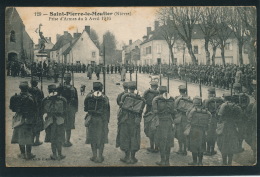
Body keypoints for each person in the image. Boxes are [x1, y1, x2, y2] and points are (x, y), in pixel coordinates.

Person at [116, 81, 145, 164]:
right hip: (135, 120)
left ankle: (126, 157)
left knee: (125, 137)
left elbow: (120, 104)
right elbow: (142, 108)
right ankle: (133, 157)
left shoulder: (124, 95)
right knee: (134, 137)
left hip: (125, 119)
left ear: (128, 88)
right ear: (135, 88)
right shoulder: (140, 98)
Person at [84, 82, 110, 163]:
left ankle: (94, 155)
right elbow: (107, 110)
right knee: (101, 138)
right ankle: (100, 156)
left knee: (92, 137)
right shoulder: (105, 97)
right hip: (102, 120)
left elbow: (85, 109)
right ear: (101, 88)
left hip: (92, 119)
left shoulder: (88, 96)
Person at [10, 81, 36, 160]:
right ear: (27, 88)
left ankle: (22, 153)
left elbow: (12, 108)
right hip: (29, 119)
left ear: (20, 88)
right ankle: (28, 154)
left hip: (18, 118)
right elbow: (35, 109)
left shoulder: (15, 97)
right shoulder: (31, 98)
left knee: (20, 136)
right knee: (29, 136)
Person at [42, 84, 67, 160]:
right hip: (60, 121)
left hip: (50, 122)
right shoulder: (62, 99)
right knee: (59, 138)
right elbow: (65, 111)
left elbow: (42, 110)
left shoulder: (45, 100)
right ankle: (60, 154)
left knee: (53, 139)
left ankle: (54, 155)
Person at [152, 86, 176, 166]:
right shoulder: (172, 99)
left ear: (159, 92)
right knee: (168, 141)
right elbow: (174, 111)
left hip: (161, 122)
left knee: (162, 142)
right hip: (169, 121)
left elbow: (155, 111)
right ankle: (167, 161)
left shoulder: (156, 99)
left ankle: (162, 161)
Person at [217, 93, 242, 165]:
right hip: (233, 127)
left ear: (225, 99)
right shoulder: (237, 107)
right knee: (231, 145)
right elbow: (240, 118)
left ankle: (224, 162)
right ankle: (229, 162)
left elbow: (219, 116)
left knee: (223, 144)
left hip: (224, 127)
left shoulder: (224, 105)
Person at [186, 96, 211, 166]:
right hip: (203, 130)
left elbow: (188, 118)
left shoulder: (193, 110)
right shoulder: (206, 111)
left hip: (194, 130)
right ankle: (200, 162)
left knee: (194, 146)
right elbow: (210, 118)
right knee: (202, 146)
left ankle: (194, 162)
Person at [57, 73, 78, 147]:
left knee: (62, 124)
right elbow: (76, 100)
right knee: (68, 125)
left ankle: (63, 141)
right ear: (70, 80)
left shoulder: (61, 87)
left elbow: (57, 96)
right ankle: (67, 141)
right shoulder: (73, 88)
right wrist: (75, 109)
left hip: (62, 109)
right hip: (70, 109)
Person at [203, 87, 224, 156]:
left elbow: (204, 109)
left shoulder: (207, 101)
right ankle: (212, 149)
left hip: (209, 119)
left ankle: (208, 150)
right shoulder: (219, 101)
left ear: (210, 93)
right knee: (214, 135)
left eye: (208, 93)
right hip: (216, 120)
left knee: (209, 135)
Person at [174, 85, 192, 156]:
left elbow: (174, 107)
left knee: (179, 134)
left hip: (179, 118)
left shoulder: (177, 98)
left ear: (179, 91)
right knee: (185, 134)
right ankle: (184, 150)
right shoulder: (190, 99)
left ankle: (180, 149)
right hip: (186, 118)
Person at [142, 81, 159, 153]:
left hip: (149, 113)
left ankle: (152, 147)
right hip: (158, 114)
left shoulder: (148, 92)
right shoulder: (160, 93)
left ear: (151, 86)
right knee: (157, 131)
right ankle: (156, 147)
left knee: (150, 130)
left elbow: (142, 99)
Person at [28, 76, 45, 146]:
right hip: (38, 110)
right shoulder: (39, 91)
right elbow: (43, 101)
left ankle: (31, 140)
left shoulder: (28, 90)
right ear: (37, 83)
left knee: (31, 125)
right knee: (38, 125)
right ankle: (37, 140)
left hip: (30, 111)